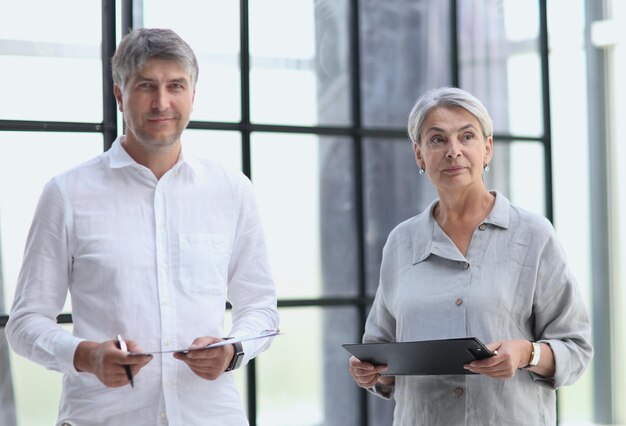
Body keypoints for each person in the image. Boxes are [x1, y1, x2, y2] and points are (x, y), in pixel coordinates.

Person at [6, 28, 279, 426]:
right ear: (119, 95)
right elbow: (25, 324)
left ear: (192, 95)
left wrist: (233, 349)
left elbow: (261, 309)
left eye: (176, 86)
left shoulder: (232, 191)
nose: (162, 102)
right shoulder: (66, 193)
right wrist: (87, 356)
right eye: (146, 86)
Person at [348, 87, 593, 425]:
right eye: (437, 140)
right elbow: (382, 352)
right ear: (419, 155)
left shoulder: (534, 235)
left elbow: (576, 348)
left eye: (467, 137)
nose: (454, 151)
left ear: (487, 148)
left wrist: (526, 353)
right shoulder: (401, 242)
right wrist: (371, 373)